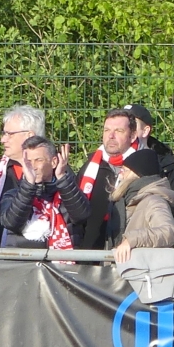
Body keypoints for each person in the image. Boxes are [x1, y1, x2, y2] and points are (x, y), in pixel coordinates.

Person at [0, 136, 92, 247]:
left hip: (64, 257)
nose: (33, 167)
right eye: (28, 161)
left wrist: (62, 178)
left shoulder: (67, 192)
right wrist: (29, 186)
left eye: (39, 160)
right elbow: (11, 223)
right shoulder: (13, 195)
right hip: (26, 258)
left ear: (54, 162)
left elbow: (81, 216)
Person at [121, 103, 174, 229]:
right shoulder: (104, 160)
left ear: (145, 131)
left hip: (148, 234)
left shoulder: (165, 163)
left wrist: (157, 207)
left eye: (132, 124)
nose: (126, 129)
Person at [106, 141, 174, 263]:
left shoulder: (154, 201)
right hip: (128, 268)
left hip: (144, 270)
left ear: (136, 174)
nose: (120, 176)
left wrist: (131, 240)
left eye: (124, 171)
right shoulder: (129, 200)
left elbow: (168, 232)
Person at [70, 107, 135, 250]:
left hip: (127, 251)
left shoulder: (141, 169)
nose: (111, 136)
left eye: (119, 131)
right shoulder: (90, 167)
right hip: (90, 250)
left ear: (132, 136)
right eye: (107, 130)